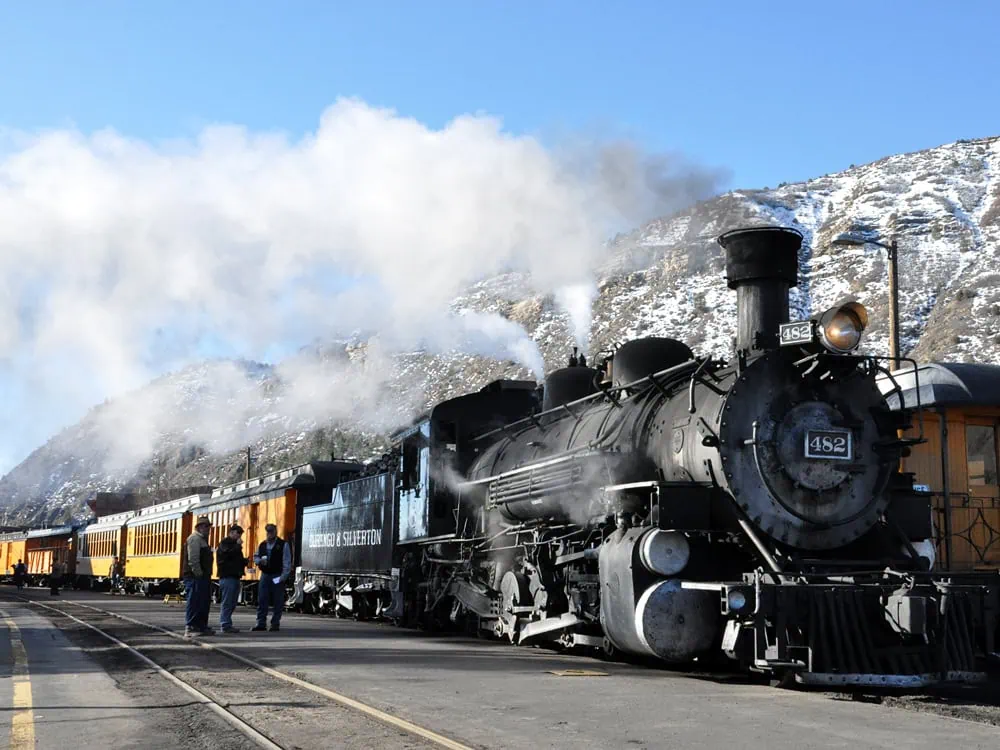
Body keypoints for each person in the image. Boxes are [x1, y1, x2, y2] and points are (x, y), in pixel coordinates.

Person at [253, 523, 291, 632]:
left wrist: (283, 577)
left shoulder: (283, 545)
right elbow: (256, 556)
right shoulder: (262, 545)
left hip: (277, 575)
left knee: (277, 600)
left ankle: (275, 624)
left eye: (271, 531)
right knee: (262, 600)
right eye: (268, 531)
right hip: (265, 575)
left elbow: (287, 561)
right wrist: (259, 561)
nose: (269, 534)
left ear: (275, 532)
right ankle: (261, 623)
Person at [183, 516, 215, 637]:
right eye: (206, 526)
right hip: (195, 577)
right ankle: (191, 626)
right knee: (194, 601)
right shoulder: (194, 539)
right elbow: (193, 559)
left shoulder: (202, 539)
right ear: (200, 527)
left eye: (209, 526)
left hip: (203, 576)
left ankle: (201, 626)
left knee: (203, 601)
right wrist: (198, 573)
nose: (209, 529)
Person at [215, 524, 248, 633]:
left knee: (232, 602)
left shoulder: (234, 545)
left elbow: (234, 559)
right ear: (232, 532)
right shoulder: (225, 543)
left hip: (235, 576)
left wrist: (244, 562)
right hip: (227, 576)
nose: (239, 536)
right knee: (228, 602)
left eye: (240, 534)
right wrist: (238, 546)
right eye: (238, 533)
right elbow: (226, 555)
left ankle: (227, 623)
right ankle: (225, 624)